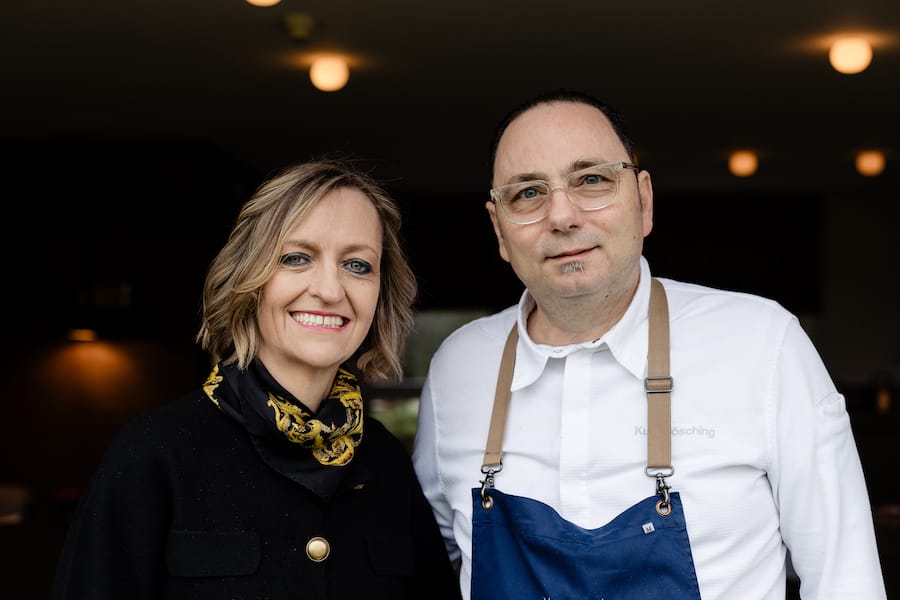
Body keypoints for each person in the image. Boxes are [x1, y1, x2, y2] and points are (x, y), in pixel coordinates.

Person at [411, 89, 887, 599]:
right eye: (528, 193)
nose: (562, 216)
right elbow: (422, 566)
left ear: (643, 201)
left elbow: (845, 579)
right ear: (499, 230)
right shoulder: (459, 367)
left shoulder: (762, 343)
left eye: (591, 180)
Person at [52, 159, 462, 599]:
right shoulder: (154, 454)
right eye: (296, 258)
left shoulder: (384, 462)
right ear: (249, 280)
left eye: (358, 265)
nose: (329, 290)